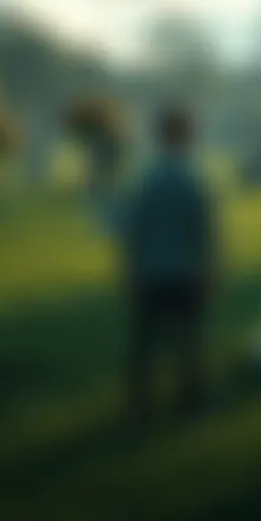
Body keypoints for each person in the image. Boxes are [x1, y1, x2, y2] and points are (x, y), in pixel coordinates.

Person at [94, 106, 218, 423]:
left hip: (151, 273)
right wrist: (209, 270)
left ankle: (141, 404)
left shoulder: (147, 181)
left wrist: (129, 272)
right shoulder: (193, 181)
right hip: (185, 273)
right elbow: (203, 232)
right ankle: (191, 403)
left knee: (145, 345)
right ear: (188, 138)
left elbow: (133, 233)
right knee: (187, 343)